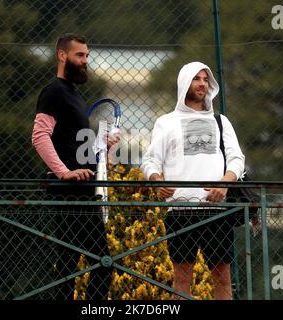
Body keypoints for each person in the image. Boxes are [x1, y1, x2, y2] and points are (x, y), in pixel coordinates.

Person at [141, 61, 245, 300]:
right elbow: (150, 161)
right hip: (181, 210)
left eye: (205, 79)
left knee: (222, 277)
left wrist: (224, 184)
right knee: (182, 278)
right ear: (184, 83)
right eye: (196, 79)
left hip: (216, 210)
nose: (201, 84)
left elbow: (237, 159)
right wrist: (157, 180)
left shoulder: (221, 121)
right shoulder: (165, 122)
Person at [31, 33, 119, 300]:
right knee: (101, 260)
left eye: (87, 56)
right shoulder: (54, 91)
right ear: (62, 56)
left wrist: (102, 143)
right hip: (70, 190)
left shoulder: (74, 95)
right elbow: (39, 136)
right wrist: (64, 172)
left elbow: (77, 145)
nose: (85, 61)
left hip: (82, 189)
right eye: (79, 55)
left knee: (70, 263)